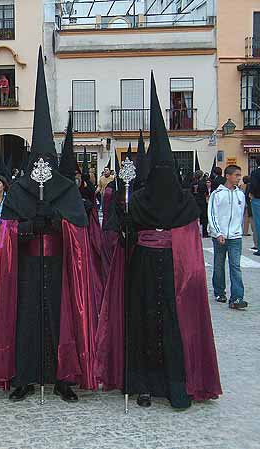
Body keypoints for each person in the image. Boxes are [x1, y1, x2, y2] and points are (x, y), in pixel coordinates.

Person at [95, 73, 221, 410]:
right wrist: (123, 226)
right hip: (145, 270)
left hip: (170, 272)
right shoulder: (144, 200)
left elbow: (191, 242)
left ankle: (176, 383)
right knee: (145, 323)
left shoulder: (181, 202)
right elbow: (126, 236)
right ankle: (146, 384)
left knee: (173, 325)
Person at [0, 48, 96, 403]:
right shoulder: (18, 190)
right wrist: (29, 227)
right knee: (26, 321)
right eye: (39, 160)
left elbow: (80, 227)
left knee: (60, 322)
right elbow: (7, 230)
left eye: (48, 160)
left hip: (60, 268)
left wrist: (60, 223)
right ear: (32, 160)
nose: (43, 166)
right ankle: (24, 377)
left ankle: (63, 378)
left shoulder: (66, 189)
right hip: (28, 268)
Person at [208, 165, 247, 308]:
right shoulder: (217, 194)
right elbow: (212, 214)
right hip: (220, 235)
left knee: (235, 266)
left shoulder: (240, 194)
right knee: (219, 265)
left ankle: (237, 297)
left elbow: (241, 213)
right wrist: (218, 232)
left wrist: (239, 230)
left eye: (239, 175)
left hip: (235, 236)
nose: (239, 178)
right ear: (228, 176)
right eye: (236, 175)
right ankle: (219, 291)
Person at [250, 166, 260, 255]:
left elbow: (253, 185)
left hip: (257, 199)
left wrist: (252, 193)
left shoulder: (255, 172)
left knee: (258, 223)